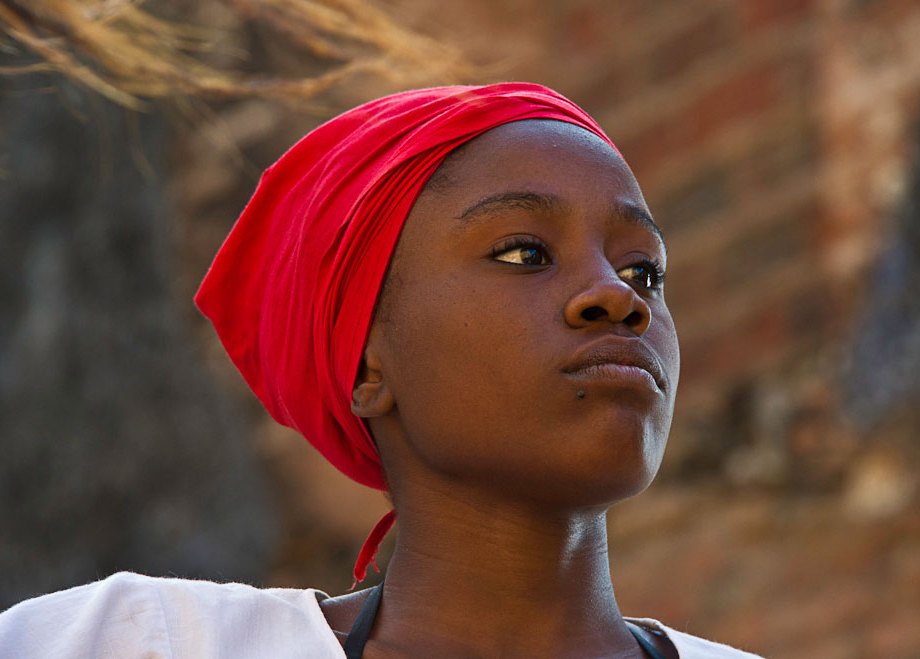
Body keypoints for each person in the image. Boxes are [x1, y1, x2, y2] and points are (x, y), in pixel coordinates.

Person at [0, 83, 762, 658]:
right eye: (524, 253)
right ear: (366, 362)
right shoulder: (135, 643)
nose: (616, 298)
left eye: (645, 272)